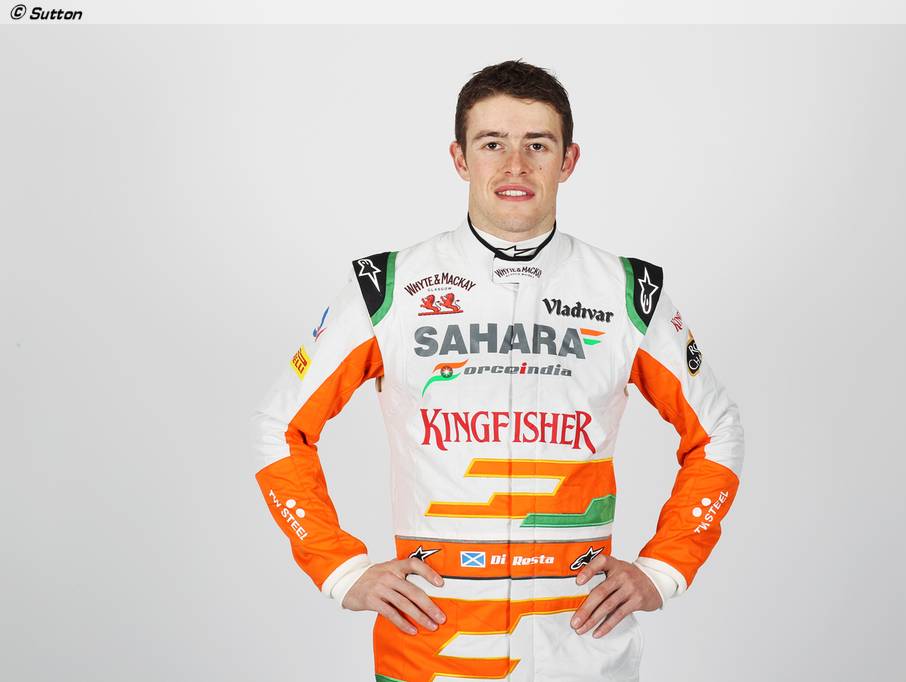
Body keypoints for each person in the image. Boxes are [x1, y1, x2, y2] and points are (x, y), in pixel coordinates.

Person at [252, 59, 745, 682]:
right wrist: (339, 570)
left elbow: (717, 430)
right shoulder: (387, 288)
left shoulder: (628, 292)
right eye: (492, 144)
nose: (516, 165)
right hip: (434, 652)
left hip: (583, 650)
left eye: (538, 144)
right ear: (460, 159)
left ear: (568, 160)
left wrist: (666, 567)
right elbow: (281, 427)